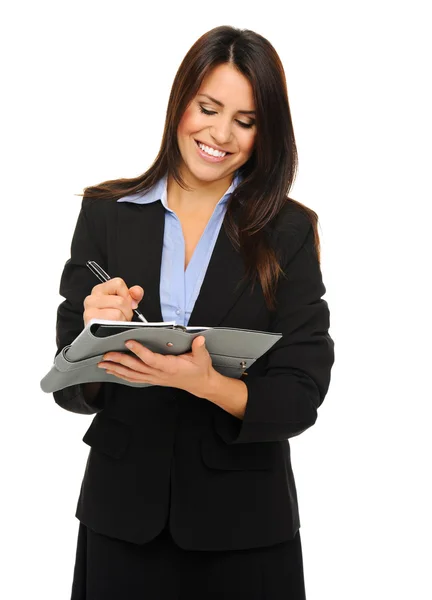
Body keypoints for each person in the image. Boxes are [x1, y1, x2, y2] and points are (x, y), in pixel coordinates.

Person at [53, 24, 335, 600]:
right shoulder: (109, 214)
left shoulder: (288, 231)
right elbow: (68, 386)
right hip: (122, 519)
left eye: (245, 120)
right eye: (208, 108)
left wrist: (208, 384)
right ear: (180, 102)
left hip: (245, 529)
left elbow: (302, 392)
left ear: (265, 133)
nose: (220, 134)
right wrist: (93, 336)